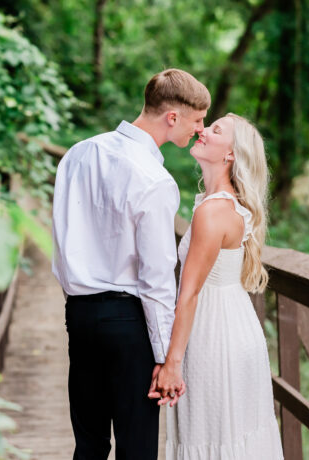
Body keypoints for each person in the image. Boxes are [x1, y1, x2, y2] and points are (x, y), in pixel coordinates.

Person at [52, 69, 210, 460]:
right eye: (197, 120)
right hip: (128, 322)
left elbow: (61, 235)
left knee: (88, 444)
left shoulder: (78, 153)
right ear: (172, 117)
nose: (200, 129)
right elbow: (157, 278)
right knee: (136, 447)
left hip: (79, 314)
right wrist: (165, 358)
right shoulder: (154, 179)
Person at [150, 113, 284, 459]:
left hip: (214, 337)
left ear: (230, 155)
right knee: (232, 436)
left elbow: (190, 291)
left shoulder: (212, 212)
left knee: (212, 434)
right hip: (235, 327)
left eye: (215, 129)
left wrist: (172, 364)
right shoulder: (227, 207)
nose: (202, 130)